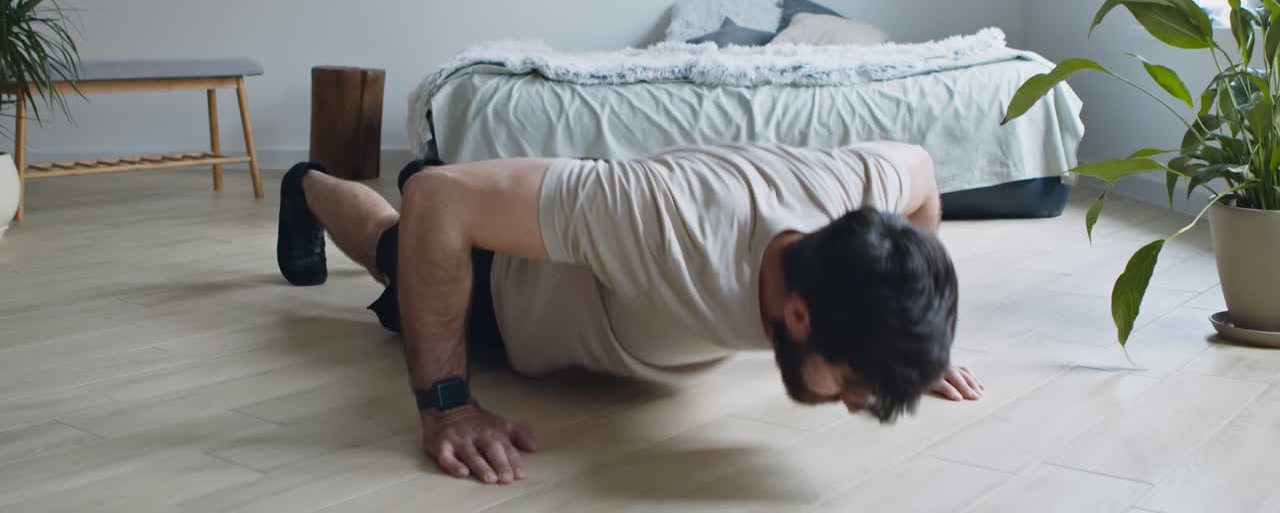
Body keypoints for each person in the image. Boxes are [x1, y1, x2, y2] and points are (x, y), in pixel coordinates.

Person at [276, 141, 982, 485]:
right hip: (502, 289)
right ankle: (307, 185)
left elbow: (918, 170)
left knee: (461, 192)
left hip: (597, 231)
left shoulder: (853, 190)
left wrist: (905, 334)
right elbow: (439, 199)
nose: (856, 405)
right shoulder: (667, 225)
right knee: (396, 239)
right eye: (856, 383)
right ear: (799, 315)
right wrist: (447, 404)